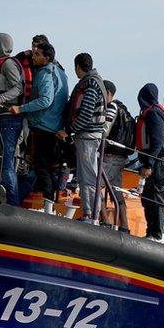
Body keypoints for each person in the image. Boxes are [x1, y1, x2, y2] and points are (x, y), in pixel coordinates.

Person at [9, 42, 68, 207]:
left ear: (46, 58)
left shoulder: (44, 73)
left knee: (41, 167)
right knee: (45, 168)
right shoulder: (62, 73)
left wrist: (21, 108)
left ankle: (47, 205)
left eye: (37, 54)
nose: (33, 57)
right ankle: (46, 203)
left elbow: (45, 100)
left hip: (43, 126)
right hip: (55, 127)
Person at [62, 53, 106, 221]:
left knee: (88, 177)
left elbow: (86, 112)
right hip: (88, 135)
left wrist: (70, 130)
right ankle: (90, 213)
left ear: (78, 67)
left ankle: (92, 215)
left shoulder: (91, 85)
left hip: (88, 136)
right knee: (85, 176)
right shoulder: (95, 83)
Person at [0, 33, 26, 206]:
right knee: (5, 161)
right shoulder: (4, 65)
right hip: (3, 118)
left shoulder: (8, 64)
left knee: (7, 162)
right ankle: (8, 201)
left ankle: (12, 203)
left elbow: (18, 88)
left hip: (9, 120)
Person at [137, 83, 164, 241]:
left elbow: (157, 142)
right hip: (154, 160)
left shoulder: (154, 114)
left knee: (157, 198)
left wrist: (149, 164)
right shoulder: (151, 112)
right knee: (147, 197)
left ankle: (156, 235)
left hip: (159, 162)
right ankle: (150, 231)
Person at [100, 80, 133, 232]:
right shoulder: (125, 111)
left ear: (108, 93)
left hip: (109, 156)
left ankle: (104, 220)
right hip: (121, 157)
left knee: (95, 186)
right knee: (116, 190)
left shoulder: (112, 107)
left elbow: (104, 130)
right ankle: (124, 225)